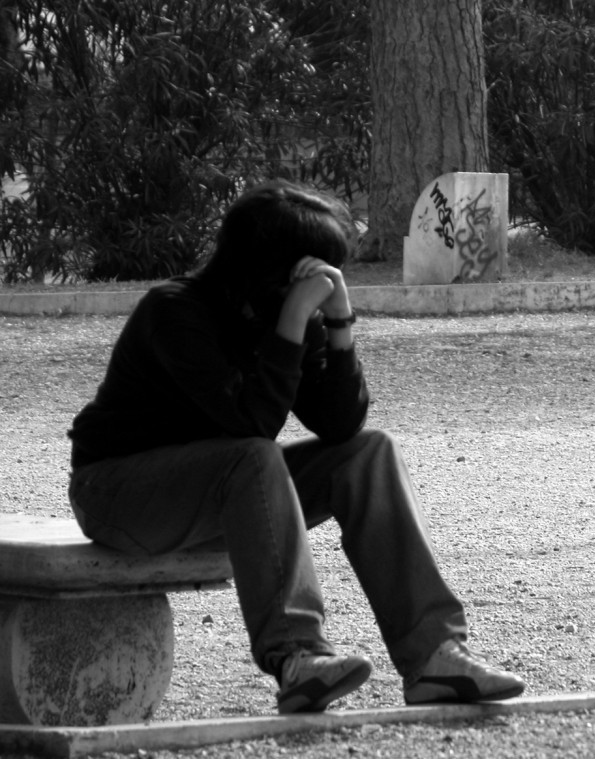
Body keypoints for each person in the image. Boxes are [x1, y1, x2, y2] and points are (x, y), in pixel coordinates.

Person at [67, 179, 526, 714]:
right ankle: (298, 657)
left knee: (370, 452)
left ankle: (435, 657)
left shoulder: (288, 314)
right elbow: (250, 424)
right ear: (267, 266)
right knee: (253, 455)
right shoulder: (174, 311)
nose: (323, 282)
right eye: (313, 270)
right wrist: (292, 321)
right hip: (119, 496)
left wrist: (338, 322)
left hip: (224, 495)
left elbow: (340, 424)